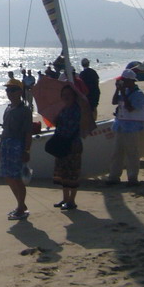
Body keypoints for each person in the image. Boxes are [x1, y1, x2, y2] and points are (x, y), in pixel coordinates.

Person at [49, 82, 94, 211]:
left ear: (74, 96)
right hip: (62, 144)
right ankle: (65, 198)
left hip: (73, 145)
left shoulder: (77, 110)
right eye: (63, 95)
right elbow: (60, 126)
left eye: (68, 95)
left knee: (72, 173)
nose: (65, 97)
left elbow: (73, 128)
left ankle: (72, 200)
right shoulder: (63, 110)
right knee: (63, 173)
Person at [0, 82, 33, 220]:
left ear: (19, 92)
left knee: (17, 178)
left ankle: (21, 207)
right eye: (8, 90)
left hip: (18, 146)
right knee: (8, 176)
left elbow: (28, 133)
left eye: (12, 90)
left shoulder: (25, 110)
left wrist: (26, 150)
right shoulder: (8, 109)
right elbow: (4, 131)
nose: (9, 93)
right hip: (6, 145)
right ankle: (21, 205)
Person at [106, 69, 144, 185]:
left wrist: (123, 93)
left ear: (131, 81)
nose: (122, 82)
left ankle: (132, 178)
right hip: (120, 126)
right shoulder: (126, 90)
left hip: (132, 127)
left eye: (124, 80)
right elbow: (114, 101)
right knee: (116, 153)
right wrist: (118, 90)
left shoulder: (138, 94)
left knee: (132, 154)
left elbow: (130, 108)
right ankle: (113, 177)